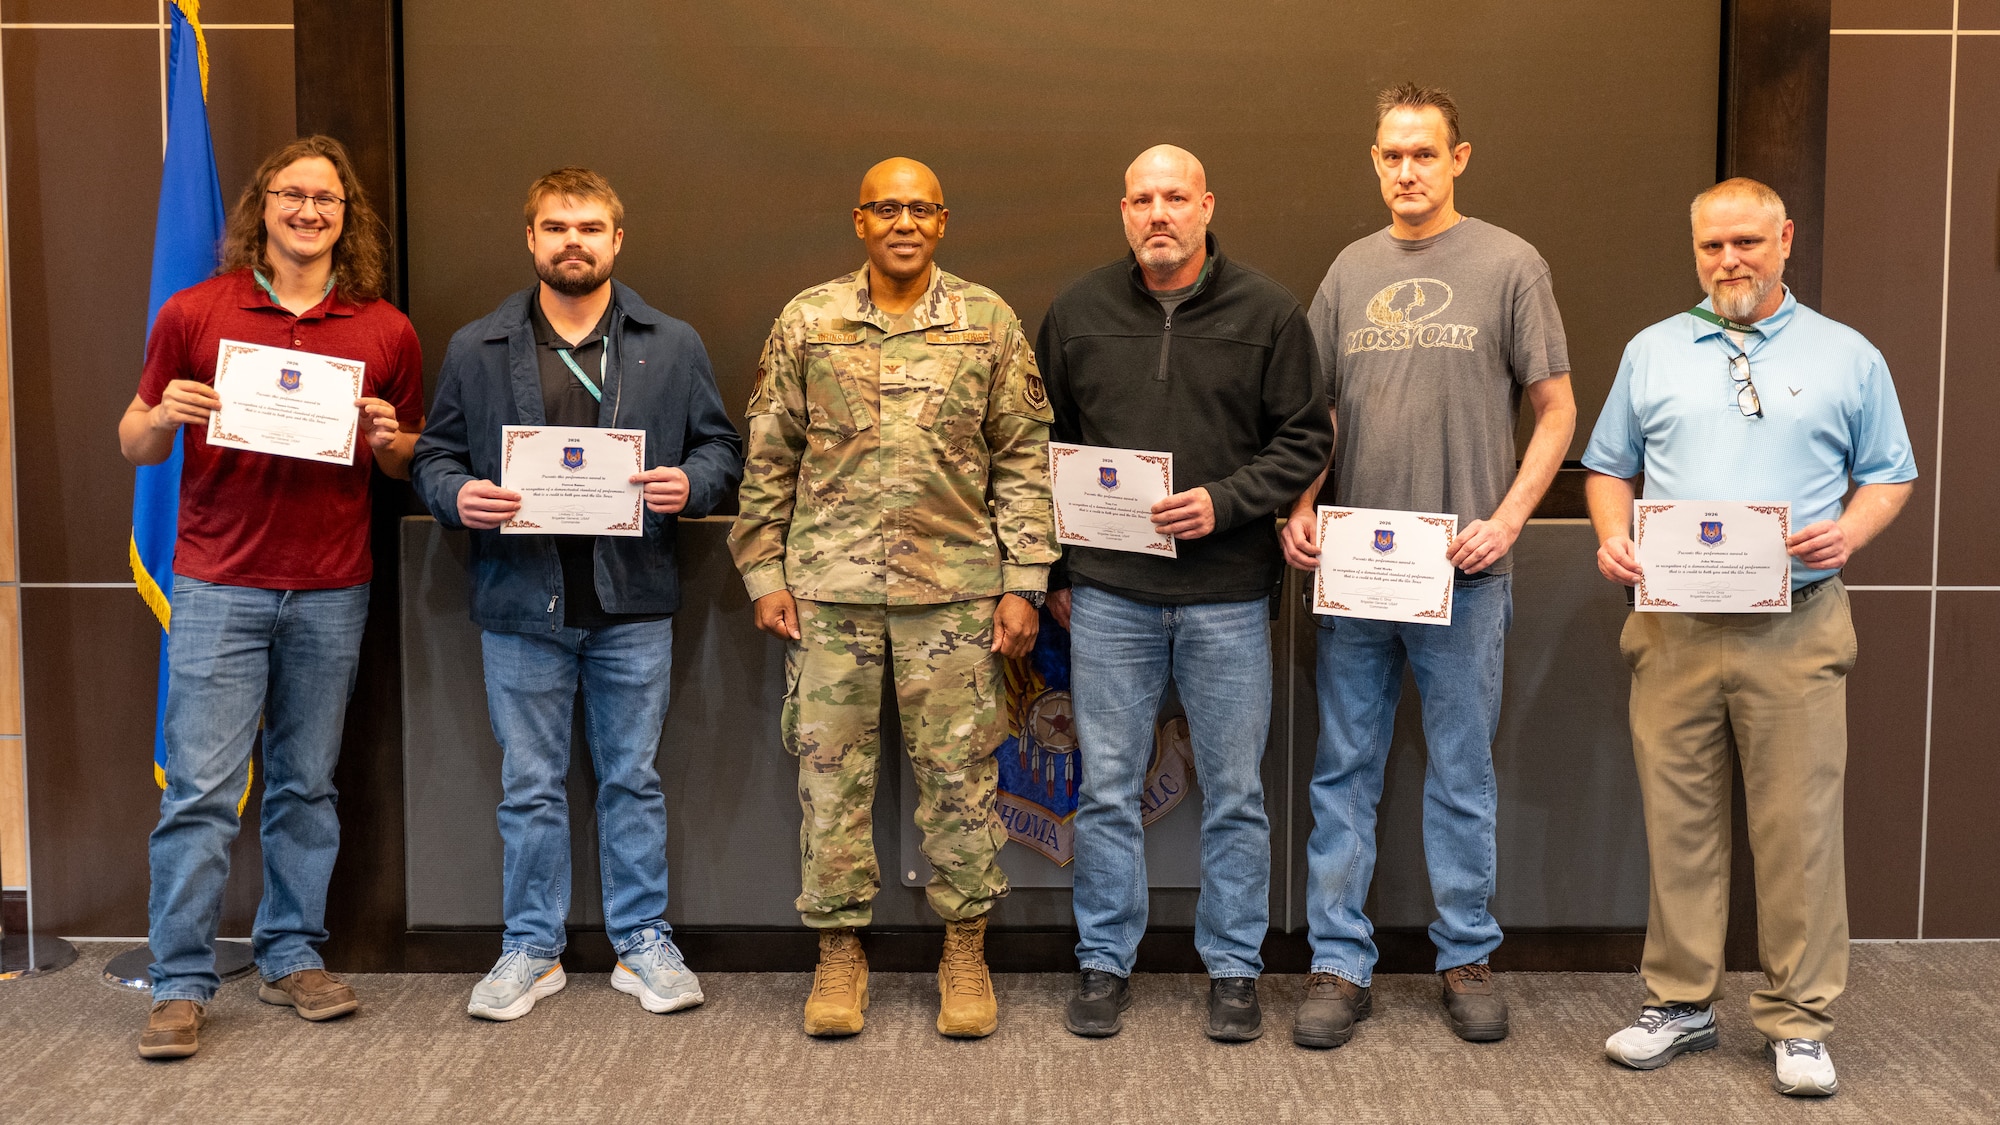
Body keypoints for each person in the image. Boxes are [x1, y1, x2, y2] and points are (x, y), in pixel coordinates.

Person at [1584, 177, 1915, 1098]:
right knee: (1677, 822)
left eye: (1746, 243)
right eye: (1711, 247)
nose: (1729, 261)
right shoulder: (1653, 351)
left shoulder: (1848, 355)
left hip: (1797, 626)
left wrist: (1850, 531)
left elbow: (1889, 474)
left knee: (1798, 830)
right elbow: (1609, 466)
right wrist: (1615, 534)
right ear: (1694, 250)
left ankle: (1800, 1019)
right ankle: (1681, 1003)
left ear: (1785, 240)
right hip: (1673, 627)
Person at [729, 157, 1055, 1039]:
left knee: (961, 778)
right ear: (860, 220)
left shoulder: (986, 322)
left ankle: (964, 948)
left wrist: (1026, 581)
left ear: (942, 220)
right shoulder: (809, 319)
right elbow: (770, 453)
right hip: (830, 594)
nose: (903, 221)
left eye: (920, 208)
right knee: (830, 780)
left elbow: (1024, 459)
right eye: (886, 208)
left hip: (955, 597)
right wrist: (764, 570)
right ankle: (839, 952)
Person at [1280, 83, 1576, 1049]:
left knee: (1461, 773)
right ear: (1374, 161)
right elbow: (1316, 416)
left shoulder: (1509, 262)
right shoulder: (1348, 270)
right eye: (1390, 155)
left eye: (1424, 153)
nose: (1406, 170)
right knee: (1344, 770)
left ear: (1459, 158)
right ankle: (1337, 962)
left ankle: (1465, 956)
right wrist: (1301, 505)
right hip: (1360, 573)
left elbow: (1558, 408)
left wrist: (1510, 518)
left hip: (1465, 569)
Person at [412, 167, 742, 1023]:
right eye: (556, 226)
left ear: (617, 240)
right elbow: (432, 457)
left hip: (632, 602)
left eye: (590, 226)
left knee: (632, 778)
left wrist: (690, 484)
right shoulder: (476, 346)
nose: (573, 240)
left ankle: (640, 942)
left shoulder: (670, 342)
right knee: (529, 784)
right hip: (521, 602)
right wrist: (456, 497)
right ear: (531, 239)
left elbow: (721, 450)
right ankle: (532, 947)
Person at [118, 135, 424, 1059]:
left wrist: (387, 440)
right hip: (217, 583)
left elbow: (410, 454)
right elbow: (133, 441)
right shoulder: (196, 311)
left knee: (306, 786)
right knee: (203, 793)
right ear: (263, 205)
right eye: (293, 195)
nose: (309, 212)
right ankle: (178, 980)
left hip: (333, 587)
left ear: (346, 216)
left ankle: (291, 954)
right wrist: (164, 413)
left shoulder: (385, 329)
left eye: (327, 199)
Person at [1040, 144, 1333, 1042]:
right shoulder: (1077, 312)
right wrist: (1054, 571)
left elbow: (1305, 440)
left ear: (1208, 204)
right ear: (1121, 211)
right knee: (1108, 787)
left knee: (1236, 790)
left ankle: (1235, 968)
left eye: (1175, 197)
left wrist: (1225, 502)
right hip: (1109, 597)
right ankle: (1102, 961)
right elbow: (1037, 448)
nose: (1158, 213)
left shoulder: (1269, 311)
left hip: (1229, 596)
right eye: (1141, 199)